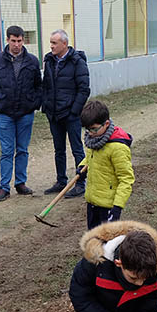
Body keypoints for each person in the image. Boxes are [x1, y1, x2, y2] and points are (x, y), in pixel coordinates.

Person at [0, 25, 43, 202]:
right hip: (4, 113)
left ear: (23, 40)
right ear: (7, 40)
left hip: (25, 112)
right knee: (7, 150)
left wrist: (34, 103)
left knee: (22, 149)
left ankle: (20, 183)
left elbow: (38, 85)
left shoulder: (32, 61)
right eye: (13, 40)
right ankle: (4, 187)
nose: (16, 44)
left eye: (19, 40)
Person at [42, 29, 90, 198]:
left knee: (77, 149)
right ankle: (61, 181)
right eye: (51, 43)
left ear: (64, 44)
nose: (51, 46)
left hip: (71, 115)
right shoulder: (49, 61)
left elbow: (84, 89)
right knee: (58, 149)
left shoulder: (77, 62)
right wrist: (46, 106)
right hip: (54, 114)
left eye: (54, 43)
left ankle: (80, 183)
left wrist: (74, 111)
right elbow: (46, 86)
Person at [77, 101, 134, 229]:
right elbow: (90, 158)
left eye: (94, 129)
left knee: (108, 244)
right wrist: (82, 166)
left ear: (106, 124)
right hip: (92, 201)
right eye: (87, 129)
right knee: (93, 239)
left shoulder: (118, 148)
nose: (90, 133)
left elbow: (126, 179)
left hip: (108, 206)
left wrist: (117, 208)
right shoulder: (94, 139)